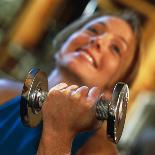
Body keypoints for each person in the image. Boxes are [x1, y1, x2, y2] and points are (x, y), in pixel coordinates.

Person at [0, 11, 141, 155]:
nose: (98, 41)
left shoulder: (100, 151)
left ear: (113, 90)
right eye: (93, 30)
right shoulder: (3, 91)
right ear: (64, 42)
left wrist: (59, 133)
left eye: (116, 48)